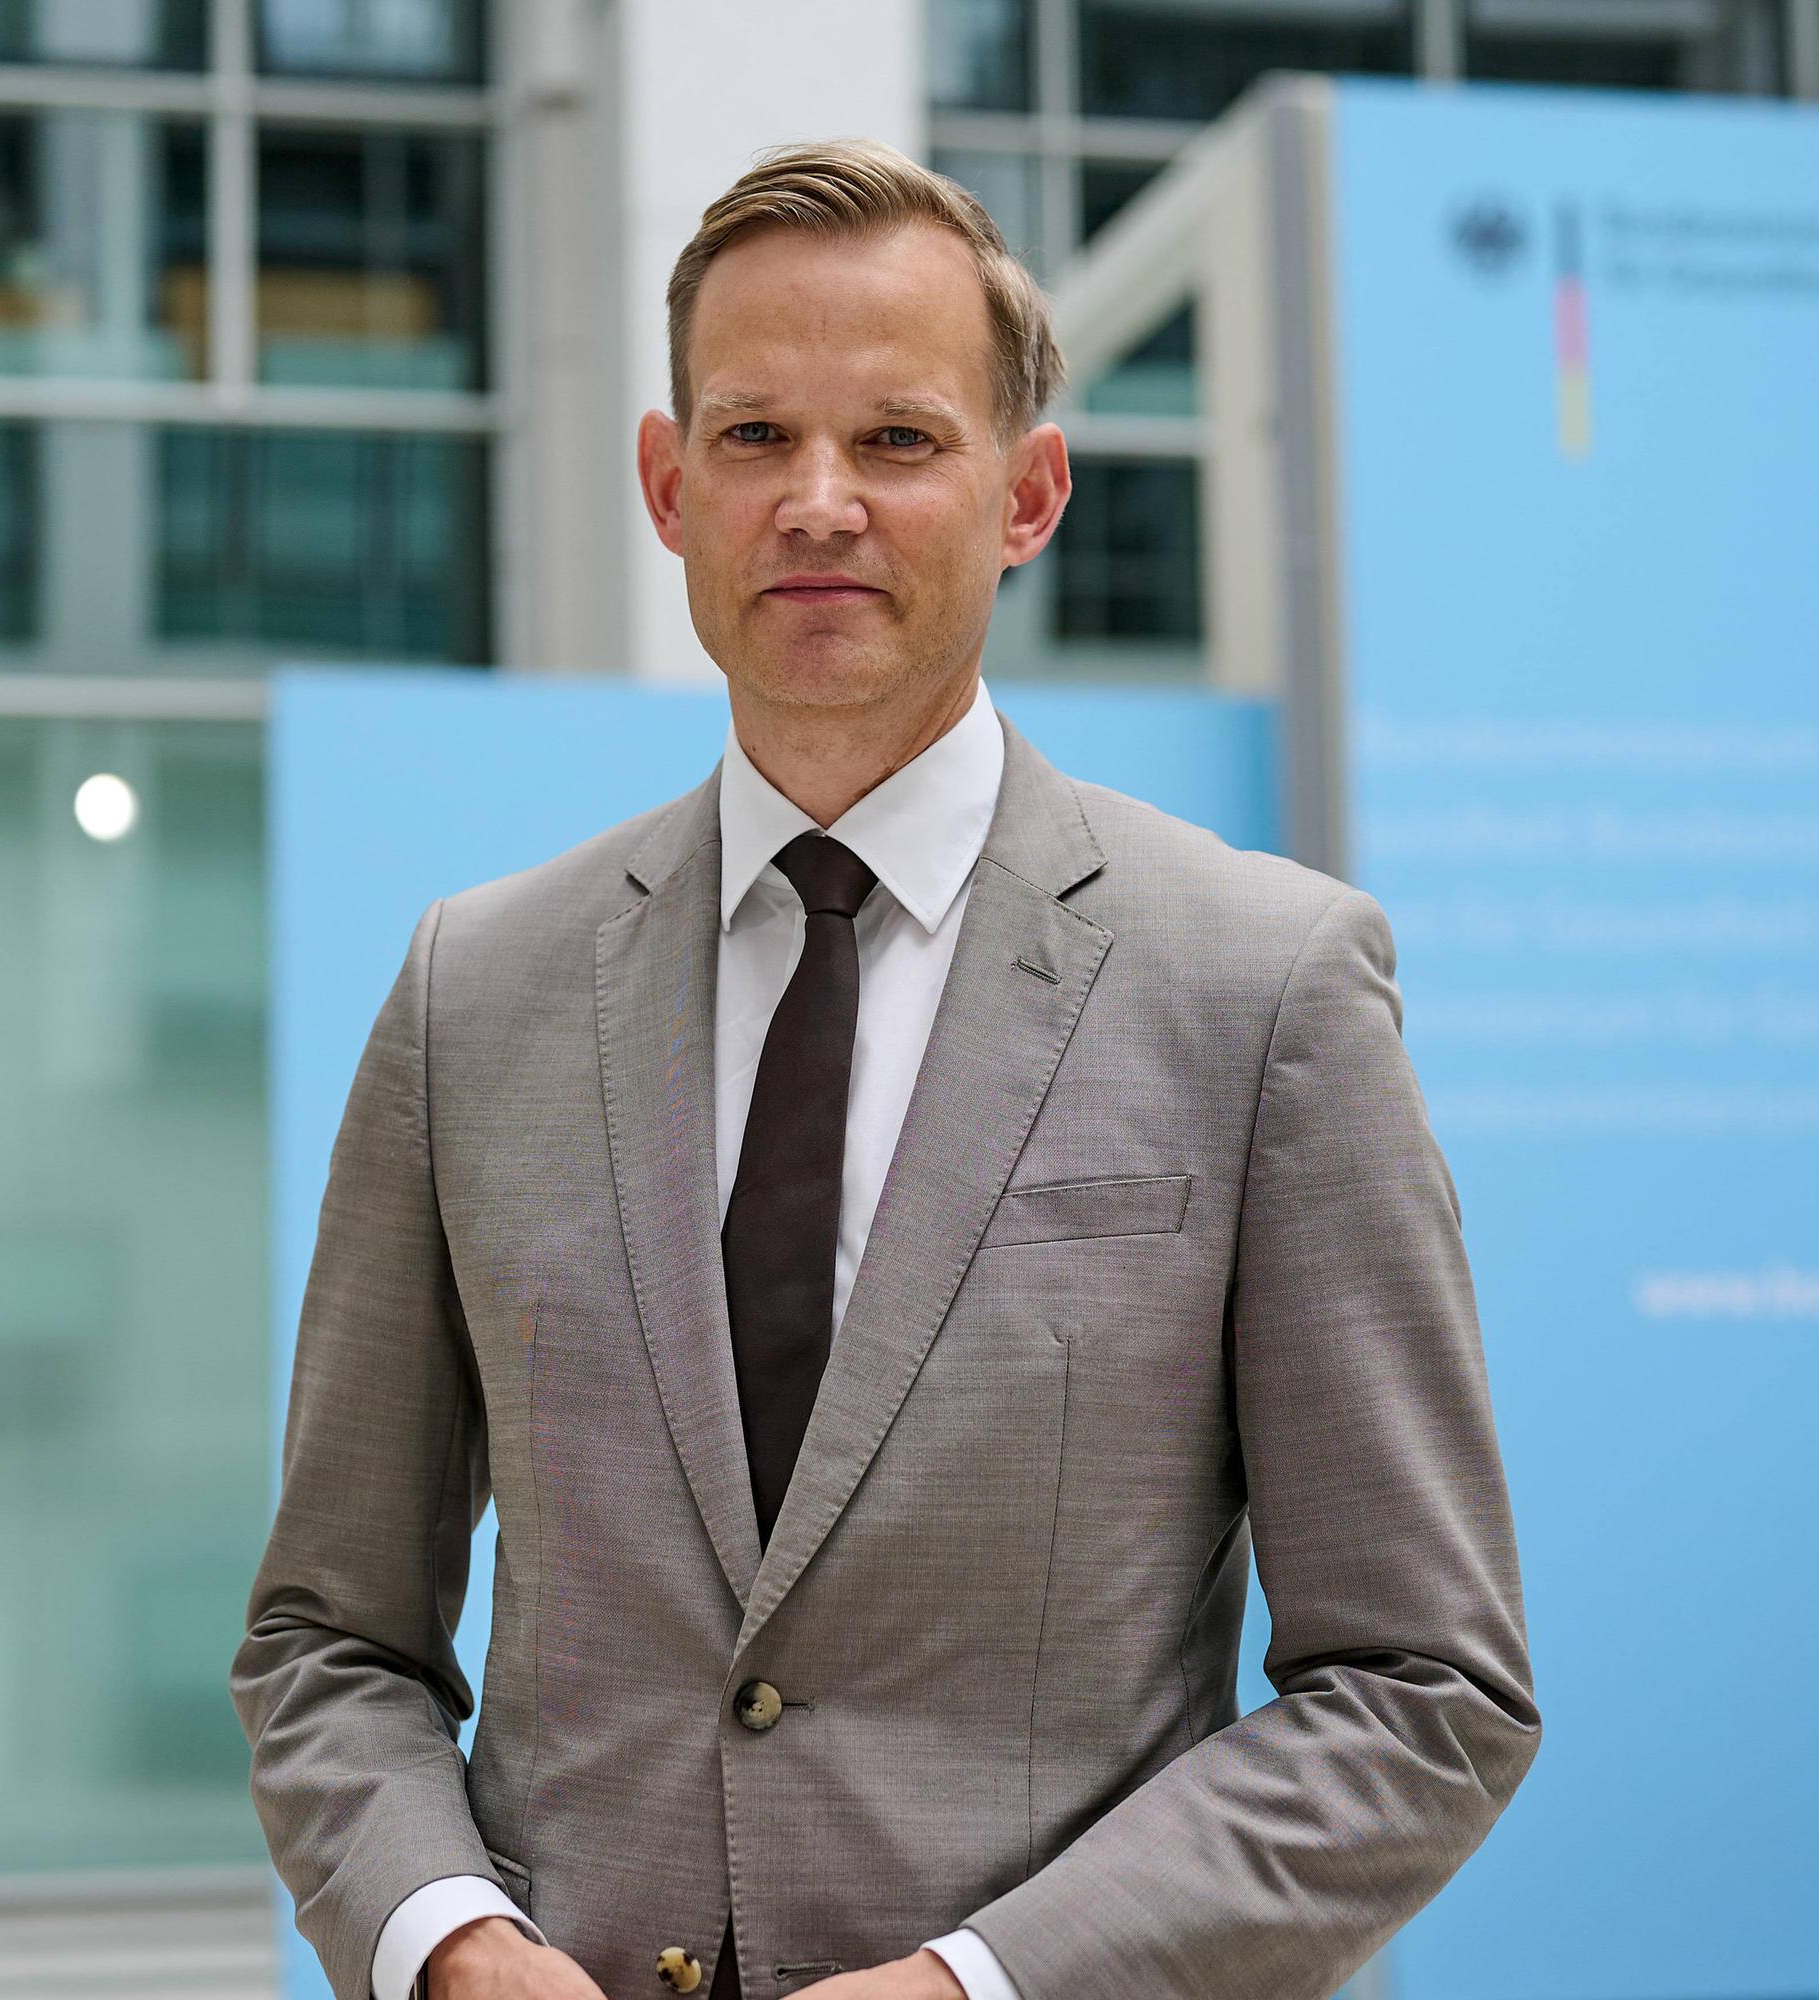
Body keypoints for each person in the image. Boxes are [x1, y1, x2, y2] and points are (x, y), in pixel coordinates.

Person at [231, 137, 1539, 2000]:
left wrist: (980, 1985)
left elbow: (1423, 1690)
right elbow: (328, 1639)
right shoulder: (475, 992)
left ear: (1030, 495)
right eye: (755, 437)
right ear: (669, 487)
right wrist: (445, 1943)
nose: (819, 503)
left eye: (901, 440)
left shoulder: (1264, 990)